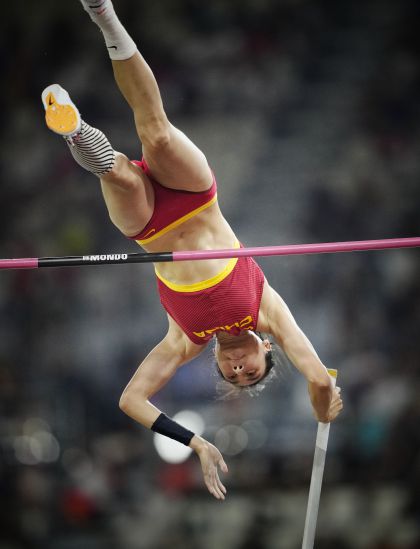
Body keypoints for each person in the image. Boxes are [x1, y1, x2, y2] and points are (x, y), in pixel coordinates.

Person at [42, 0, 343, 500]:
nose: (239, 368)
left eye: (233, 375)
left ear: (218, 367)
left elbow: (132, 400)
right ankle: (104, 15)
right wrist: (322, 404)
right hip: (195, 198)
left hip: (148, 228)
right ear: (266, 349)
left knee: (116, 172)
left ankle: (74, 130)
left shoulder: (185, 339)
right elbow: (317, 376)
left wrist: (195, 442)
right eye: (251, 370)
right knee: (156, 134)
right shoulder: (267, 310)